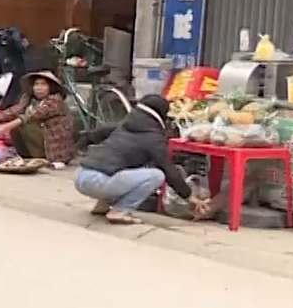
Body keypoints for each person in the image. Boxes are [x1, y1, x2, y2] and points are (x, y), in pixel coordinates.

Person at [75, 93, 209, 224]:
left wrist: (79, 142)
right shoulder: (153, 137)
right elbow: (168, 170)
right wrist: (189, 196)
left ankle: (103, 205)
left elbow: (96, 134)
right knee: (156, 175)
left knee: (123, 169)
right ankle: (121, 210)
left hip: (81, 175)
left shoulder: (123, 126)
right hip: (99, 182)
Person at [0, 69, 76, 165]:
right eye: (36, 84)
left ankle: (43, 158)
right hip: (41, 137)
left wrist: (7, 126)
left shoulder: (55, 100)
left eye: (43, 84)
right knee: (16, 128)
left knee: (24, 125)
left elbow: (33, 115)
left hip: (54, 144)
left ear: (50, 87)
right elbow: (15, 110)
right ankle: (28, 157)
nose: (38, 88)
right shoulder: (29, 98)